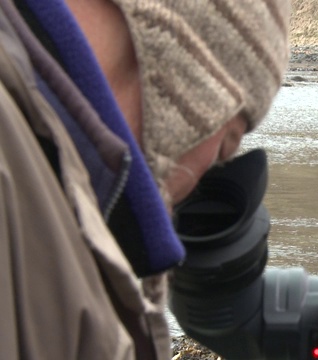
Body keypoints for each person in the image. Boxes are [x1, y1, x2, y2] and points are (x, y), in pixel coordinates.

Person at [0, 0, 290, 358]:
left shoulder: (39, 173)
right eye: (224, 148)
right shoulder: (13, 165)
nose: (196, 186)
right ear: (188, 89)